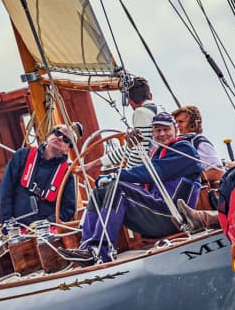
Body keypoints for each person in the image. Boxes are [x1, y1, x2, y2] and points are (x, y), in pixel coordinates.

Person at [71, 112, 201, 263]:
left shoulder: (183, 149)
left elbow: (154, 171)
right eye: (158, 130)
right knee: (100, 191)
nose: (162, 134)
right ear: (152, 133)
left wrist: (116, 175)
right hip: (155, 213)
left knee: (117, 187)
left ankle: (102, 252)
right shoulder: (156, 153)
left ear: (175, 130)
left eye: (166, 129)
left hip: (173, 217)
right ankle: (88, 248)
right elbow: (145, 172)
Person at [0, 123, 78, 225]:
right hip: (17, 228)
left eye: (66, 139)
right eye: (57, 133)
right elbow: (6, 190)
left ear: (67, 149)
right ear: (49, 136)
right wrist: (7, 222)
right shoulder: (22, 155)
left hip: (46, 231)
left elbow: (68, 209)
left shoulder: (67, 173)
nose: (60, 138)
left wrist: (48, 222)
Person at [172, 105, 221, 172]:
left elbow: (217, 172)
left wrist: (194, 179)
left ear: (192, 123)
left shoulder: (200, 143)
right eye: (176, 122)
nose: (177, 125)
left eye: (181, 122)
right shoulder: (176, 143)